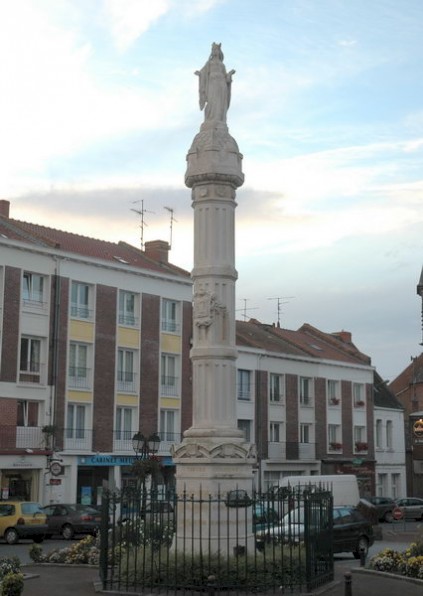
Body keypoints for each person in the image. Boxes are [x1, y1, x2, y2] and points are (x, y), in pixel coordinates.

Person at [195, 43, 235, 123]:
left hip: (221, 84)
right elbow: (204, 72)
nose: (214, 51)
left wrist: (230, 74)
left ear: (219, 51)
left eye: (215, 49)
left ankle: (219, 119)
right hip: (212, 84)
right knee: (212, 101)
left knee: (220, 102)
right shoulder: (209, 63)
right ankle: (210, 119)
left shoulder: (222, 65)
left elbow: (226, 77)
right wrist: (200, 74)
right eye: (213, 50)